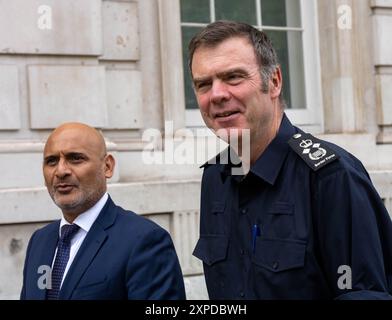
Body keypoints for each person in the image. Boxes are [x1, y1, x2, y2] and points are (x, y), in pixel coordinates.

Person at [190, 20, 392, 299]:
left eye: (233, 77)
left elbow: (362, 294)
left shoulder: (331, 177)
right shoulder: (215, 177)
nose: (217, 94)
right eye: (203, 84)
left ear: (273, 82)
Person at [20, 122, 186, 300]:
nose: (61, 171)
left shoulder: (144, 240)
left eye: (75, 158)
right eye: (51, 161)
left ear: (107, 167)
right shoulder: (40, 240)